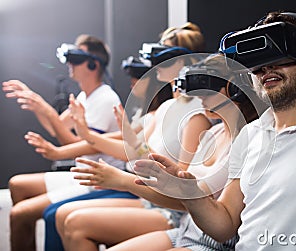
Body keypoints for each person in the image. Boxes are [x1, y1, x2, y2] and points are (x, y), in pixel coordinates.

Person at [130, 11, 296, 251]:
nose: (267, 68)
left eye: (280, 56)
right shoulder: (251, 134)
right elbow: (225, 225)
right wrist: (189, 194)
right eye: (257, 62)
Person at [68, 53, 263, 251]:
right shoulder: (211, 133)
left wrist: (124, 180)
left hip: (207, 237)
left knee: (74, 220)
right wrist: (131, 142)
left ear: (235, 89)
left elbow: (191, 199)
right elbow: (182, 185)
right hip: (187, 228)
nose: (200, 96)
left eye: (207, 89)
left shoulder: (240, 137)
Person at [46, 22, 212, 251]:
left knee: (73, 221)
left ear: (184, 62)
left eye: (163, 54)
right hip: (148, 198)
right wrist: (89, 135)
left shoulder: (196, 113)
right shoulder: (167, 107)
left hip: (170, 210)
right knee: (65, 217)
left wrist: (120, 169)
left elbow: (182, 187)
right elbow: (139, 151)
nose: (153, 63)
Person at [25, 56, 173, 251]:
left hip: (138, 190)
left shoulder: (164, 113)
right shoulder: (154, 114)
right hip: (128, 184)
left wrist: (63, 148)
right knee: (50, 210)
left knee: (54, 215)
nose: (132, 84)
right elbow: (119, 144)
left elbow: (135, 152)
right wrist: (67, 145)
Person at [2, 34, 125, 251]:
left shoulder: (105, 99)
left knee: (20, 213)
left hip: (95, 181)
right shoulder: (85, 96)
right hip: (80, 174)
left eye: (75, 59)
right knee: (17, 184)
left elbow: (71, 143)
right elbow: (56, 126)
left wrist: (44, 107)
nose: (70, 64)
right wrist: (36, 103)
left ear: (92, 64)